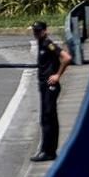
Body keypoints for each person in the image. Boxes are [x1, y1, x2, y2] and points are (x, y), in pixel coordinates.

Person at [30, 21, 72, 163]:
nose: (36, 33)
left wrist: (57, 75)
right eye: (35, 31)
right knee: (47, 118)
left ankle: (48, 151)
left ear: (45, 30)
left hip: (50, 86)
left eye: (39, 31)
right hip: (44, 86)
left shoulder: (48, 44)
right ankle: (48, 150)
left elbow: (66, 58)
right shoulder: (41, 43)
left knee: (48, 119)